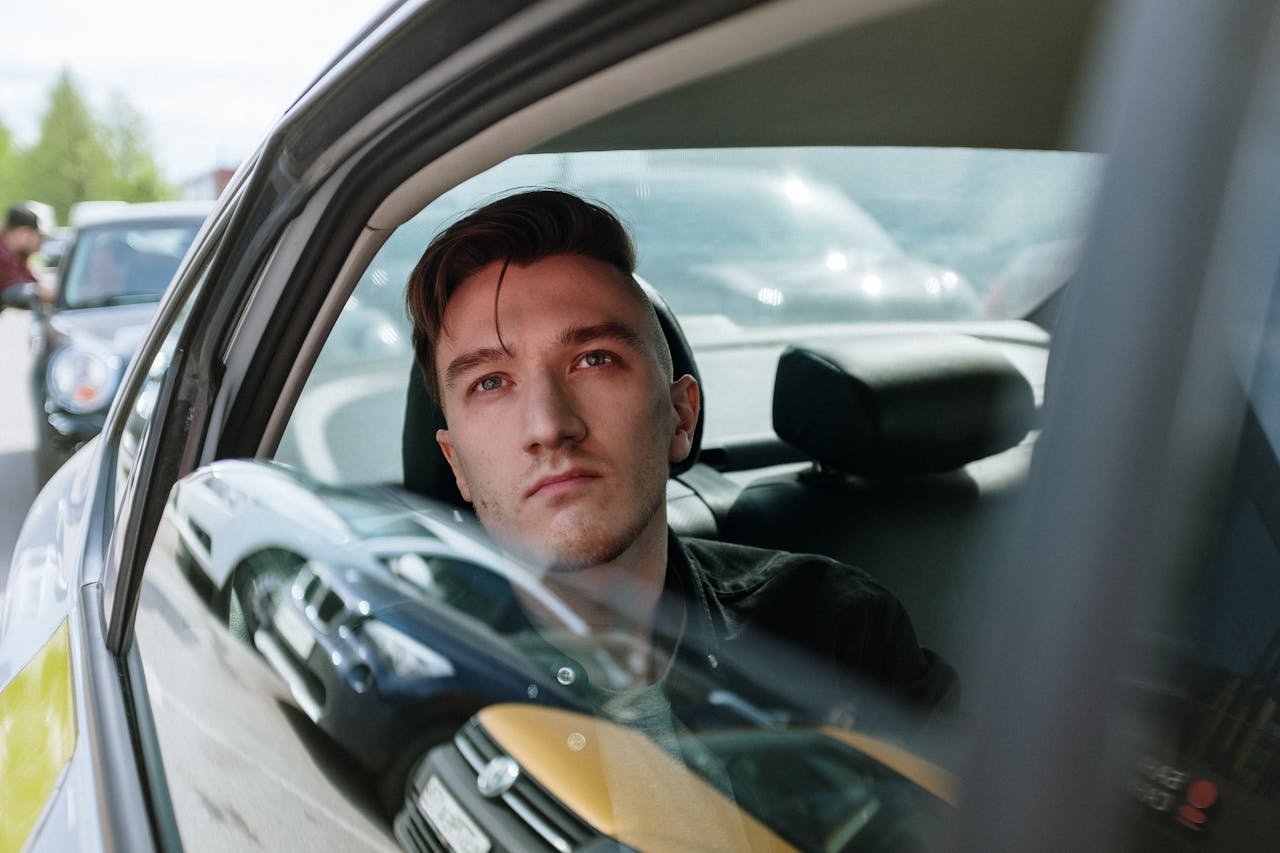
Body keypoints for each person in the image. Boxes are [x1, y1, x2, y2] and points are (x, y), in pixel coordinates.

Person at [405, 189, 955, 730]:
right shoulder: (412, 682)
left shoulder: (836, 628)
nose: (549, 426)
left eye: (594, 360)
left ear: (681, 417)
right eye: (491, 382)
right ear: (456, 464)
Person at [0, 205, 46, 294]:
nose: (41, 241)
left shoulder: (18, 256)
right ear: (23, 232)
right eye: (39, 236)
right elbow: (14, 288)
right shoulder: (3, 258)